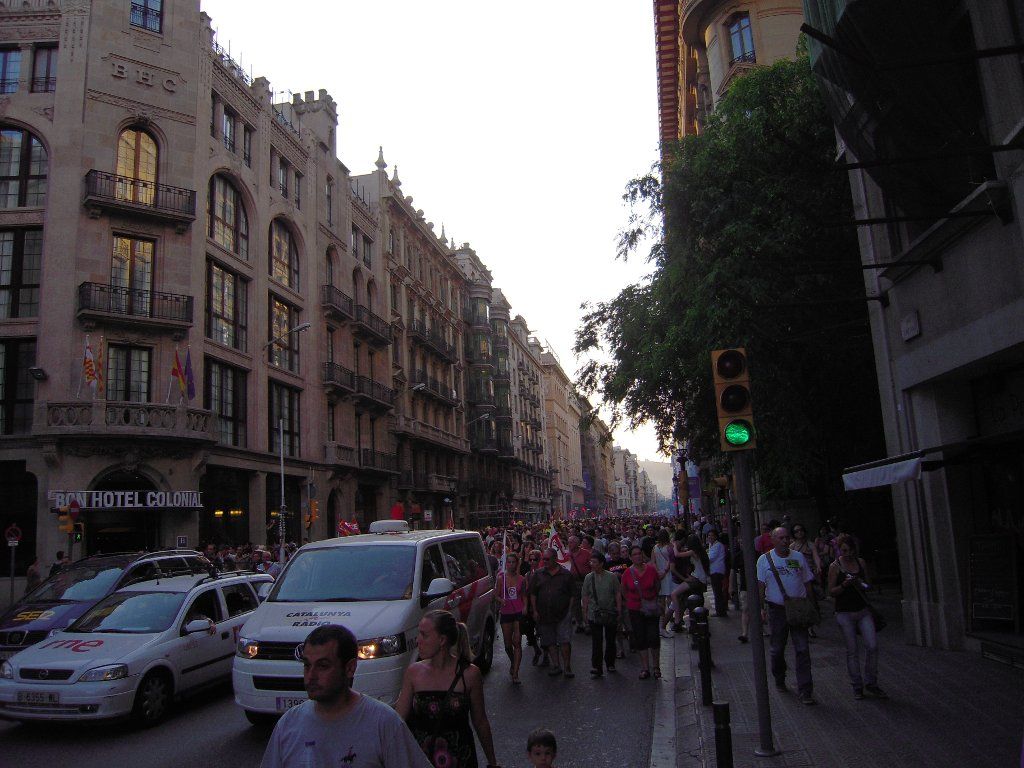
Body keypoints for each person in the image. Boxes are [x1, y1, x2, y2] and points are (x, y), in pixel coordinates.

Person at [261, 624, 430, 768]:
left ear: (350, 668)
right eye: (307, 665)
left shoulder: (384, 723)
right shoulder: (288, 725)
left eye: (323, 666)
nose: (311, 675)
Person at [397, 610, 500, 768]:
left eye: (424, 635)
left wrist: (493, 763)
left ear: (442, 640)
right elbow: (398, 721)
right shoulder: (413, 673)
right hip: (422, 761)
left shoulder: (470, 674)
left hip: (461, 759)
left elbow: (480, 721)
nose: (418, 640)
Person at [756, 526, 819, 705]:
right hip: (777, 610)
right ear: (773, 540)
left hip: (798, 608)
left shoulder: (798, 558)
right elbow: (761, 586)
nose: (785, 541)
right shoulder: (764, 560)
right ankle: (779, 676)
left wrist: (812, 608)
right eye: (781, 538)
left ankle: (805, 689)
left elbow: (807, 583)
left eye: (786, 537)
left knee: (802, 649)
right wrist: (761, 608)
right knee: (776, 649)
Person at [829, 533, 887, 700]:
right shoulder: (835, 566)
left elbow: (869, 585)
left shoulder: (860, 562)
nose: (847, 554)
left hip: (862, 610)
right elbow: (831, 591)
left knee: (872, 645)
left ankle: (871, 682)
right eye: (844, 550)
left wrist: (860, 582)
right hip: (844, 612)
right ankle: (857, 685)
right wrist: (844, 585)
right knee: (852, 650)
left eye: (850, 550)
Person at [529, 548, 575, 678]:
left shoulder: (566, 575)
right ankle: (556, 665)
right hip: (544, 614)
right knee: (550, 641)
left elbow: (572, 594)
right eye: (543, 559)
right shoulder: (538, 574)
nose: (545, 561)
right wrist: (535, 610)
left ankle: (567, 666)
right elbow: (533, 594)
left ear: (555, 558)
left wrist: (569, 611)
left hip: (562, 614)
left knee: (564, 640)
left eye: (547, 559)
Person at [621, 545, 662, 679]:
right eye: (634, 554)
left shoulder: (651, 570)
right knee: (640, 637)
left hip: (650, 607)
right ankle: (645, 667)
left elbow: (657, 585)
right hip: (635, 609)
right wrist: (630, 602)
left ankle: (656, 666)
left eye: (639, 554)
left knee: (654, 636)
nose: (637, 556)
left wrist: (652, 598)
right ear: (631, 557)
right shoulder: (628, 573)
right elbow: (624, 589)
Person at [581, 551, 621, 677]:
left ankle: (610, 662)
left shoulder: (612, 577)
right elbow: (585, 596)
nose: (592, 564)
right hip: (595, 613)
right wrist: (585, 612)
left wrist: (618, 609)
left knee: (610, 639)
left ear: (601, 564)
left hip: (610, 612)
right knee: (596, 641)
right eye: (591, 562)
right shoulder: (589, 577)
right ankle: (597, 666)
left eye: (594, 562)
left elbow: (617, 593)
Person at [494, 551, 525, 685]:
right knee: (508, 644)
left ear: (517, 564)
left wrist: (525, 607)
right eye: (509, 562)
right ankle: (513, 661)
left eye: (513, 562)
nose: (511, 565)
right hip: (506, 613)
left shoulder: (522, 579)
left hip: (518, 611)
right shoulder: (501, 578)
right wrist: (501, 600)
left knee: (517, 642)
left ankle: (516, 673)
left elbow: (524, 595)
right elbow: (495, 595)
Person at [670, 534, 709, 631]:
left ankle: (677, 620)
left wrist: (674, 544)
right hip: (700, 578)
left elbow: (677, 554)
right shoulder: (700, 551)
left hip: (696, 579)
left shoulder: (692, 552)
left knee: (674, 594)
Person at [652, 530, 675, 637]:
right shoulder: (670, 546)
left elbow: (653, 562)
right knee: (670, 597)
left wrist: (658, 572)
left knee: (661, 599)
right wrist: (665, 571)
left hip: (659, 575)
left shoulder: (655, 548)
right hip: (668, 574)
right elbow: (671, 560)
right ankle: (669, 618)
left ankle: (661, 620)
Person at [706, 529, 728, 617]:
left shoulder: (718, 545)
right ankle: (720, 610)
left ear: (716, 536)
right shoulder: (712, 545)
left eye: (712, 535)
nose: (710, 537)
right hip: (714, 570)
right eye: (709, 535)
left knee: (717, 592)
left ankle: (720, 611)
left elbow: (711, 558)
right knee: (717, 591)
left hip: (717, 570)